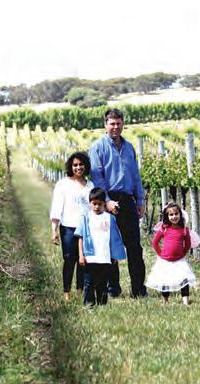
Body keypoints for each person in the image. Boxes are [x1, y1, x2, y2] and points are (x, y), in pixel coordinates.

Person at [89, 108, 147, 298]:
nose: (115, 127)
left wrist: (139, 200)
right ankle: (113, 288)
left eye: (118, 123)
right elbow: (97, 177)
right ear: (105, 125)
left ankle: (138, 289)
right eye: (112, 124)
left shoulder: (129, 147)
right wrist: (106, 201)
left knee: (134, 247)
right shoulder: (97, 148)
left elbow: (135, 176)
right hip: (107, 200)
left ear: (123, 124)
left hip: (128, 200)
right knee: (109, 246)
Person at [50, 152, 93, 301]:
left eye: (81, 164)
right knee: (69, 259)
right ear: (70, 166)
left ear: (86, 166)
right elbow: (57, 207)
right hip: (68, 228)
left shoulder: (90, 185)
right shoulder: (63, 184)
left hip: (86, 228)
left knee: (83, 260)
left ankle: (80, 290)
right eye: (75, 165)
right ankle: (66, 292)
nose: (78, 167)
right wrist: (54, 230)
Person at [75, 188, 126, 306]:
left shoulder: (110, 218)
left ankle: (102, 304)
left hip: (104, 257)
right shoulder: (85, 217)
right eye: (94, 203)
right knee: (89, 283)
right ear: (90, 203)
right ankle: (89, 304)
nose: (97, 206)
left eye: (99, 204)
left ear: (104, 204)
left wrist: (114, 255)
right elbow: (80, 237)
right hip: (90, 257)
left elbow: (114, 238)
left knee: (102, 283)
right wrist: (81, 255)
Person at [145, 203, 197, 305]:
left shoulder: (184, 230)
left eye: (176, 214)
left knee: (184, 279)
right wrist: (160, 254)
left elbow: (188, 244)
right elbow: (155, 242)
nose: (174, 217)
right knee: (165, 280)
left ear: (180, 214)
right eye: (171, 215)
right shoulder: (164, 228)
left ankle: (185, 301)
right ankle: (165, 300)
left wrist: (183, 253)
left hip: (179, 260)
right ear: (167, 216)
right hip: (165, 260)